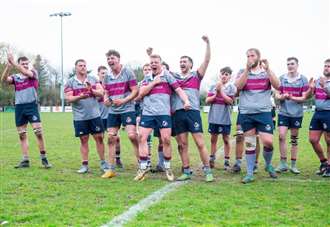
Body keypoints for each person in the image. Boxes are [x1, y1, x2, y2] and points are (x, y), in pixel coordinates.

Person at [135, 54, 191, 181]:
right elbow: (140, 94)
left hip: (164, 113)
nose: (153, 64)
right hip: (148, 113)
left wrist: (186, 101)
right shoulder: (146, 78)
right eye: (151, 62)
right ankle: (143, 167)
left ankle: (167, 167)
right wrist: (154, 82)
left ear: (160, 64)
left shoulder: (167, 76)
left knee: (166, 140)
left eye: (156, 62)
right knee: (141, 138)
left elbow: (179, 90)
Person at [171, 36, 214, 182]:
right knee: (182, 144)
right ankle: (186, 171)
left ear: (190, 64)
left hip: (193, 112)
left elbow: (207, 61)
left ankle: (208, 170)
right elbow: (159, 69)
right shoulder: (174, 76)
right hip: (178, 112)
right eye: (180, 61)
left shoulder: (196, 75)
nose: (182, 63)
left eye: (185, 61)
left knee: (200, 143)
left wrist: (208, 44)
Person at [235, 48, 280, 183]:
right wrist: (247, 70)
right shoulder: (242, 72)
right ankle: (249, 173)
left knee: (268, 142)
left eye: (252, 55)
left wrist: (268, 69)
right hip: (247, 113)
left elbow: (278, 85)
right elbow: (238, 86)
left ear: (259, 57)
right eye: (247, 55)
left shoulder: (266, 72)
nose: (249, 58)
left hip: (264, 113)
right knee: (250, 144)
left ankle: (267, 164)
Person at [1, 54, 51, 169]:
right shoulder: (16, 77)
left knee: (38, 132)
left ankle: (44, 158)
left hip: (31, 106)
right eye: (23, 64)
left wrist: (14, 63)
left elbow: (27, 72)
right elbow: (4, 80)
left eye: (26, 64)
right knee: (22, 135)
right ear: (19, 64)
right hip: (19, 107)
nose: (25, 66)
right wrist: (8, 67)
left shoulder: (33, 73)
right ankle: (25, 160)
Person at [64, 59, 106, 174]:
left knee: (99, 138)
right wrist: (80, 97)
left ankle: (103, 163)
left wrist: (91, 90)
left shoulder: (93, 79)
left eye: (84, 65)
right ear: (76, 68)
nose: (83, 67)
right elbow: (68, 98)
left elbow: (101, 92)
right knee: (83, 140)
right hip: (80, 117)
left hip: (94, 115)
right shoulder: (70, 82)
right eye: (80, 65)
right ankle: (84, 165)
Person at [102, 50, 139, 178]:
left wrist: (123, 100)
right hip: (113, 110)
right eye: (108, 59)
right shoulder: (107, 76)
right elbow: (105, 91)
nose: (110, 61)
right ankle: (110, 169)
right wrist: (105, 99)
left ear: (118, 59)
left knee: (132, 136)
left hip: (127, 109)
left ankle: (142, 166)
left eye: (112, 58)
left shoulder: (128, 72)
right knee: (111, 138)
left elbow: (135, 91)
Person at [275, 57, 310, 174]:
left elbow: (304, 98)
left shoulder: (303, 79)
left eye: (292, 64)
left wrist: (291, 97)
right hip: (283, 113)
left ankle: (293, 165)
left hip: (296, 114)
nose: (290, 66)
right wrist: (282, 96)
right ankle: (283, 163)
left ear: (297, 65)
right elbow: (277, 94)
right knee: (281, 136)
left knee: (294, 139)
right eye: (288, 64)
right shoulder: (282, 78)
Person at [206, 67, 236, 170]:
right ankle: (212, 159)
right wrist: (216, 94)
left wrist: (221, 92)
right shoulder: (213, 86)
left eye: (226, 74)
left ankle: (226, 162)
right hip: (214, 118)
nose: (224, 76)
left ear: (230, 77)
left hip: (225, 118)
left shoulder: (231, 87)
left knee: (226, 139)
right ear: (220, 75)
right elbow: (207, 100)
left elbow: (231, 102)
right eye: (223, 74)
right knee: (213, 139)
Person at [97, 66, 123, 169]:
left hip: (111, 115)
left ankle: (117, 158)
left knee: (116, 138)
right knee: (100, 138)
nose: (104, 75)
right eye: (102, 73)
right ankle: (104, 161)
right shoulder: (96, 86)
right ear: (98, 74)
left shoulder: (112, 84)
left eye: (105, 73)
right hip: (99, 117)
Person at [309, 58, 330, 177]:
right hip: (317, 113)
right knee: (313, 139)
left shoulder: (322, 82)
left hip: (328, 113)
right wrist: (311, 88)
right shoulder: (318, 81)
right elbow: (309, 96)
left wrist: (324, 86)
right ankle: (324, 163)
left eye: (328, 66)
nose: (326, 68)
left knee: (329, 141)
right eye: (325, 66)